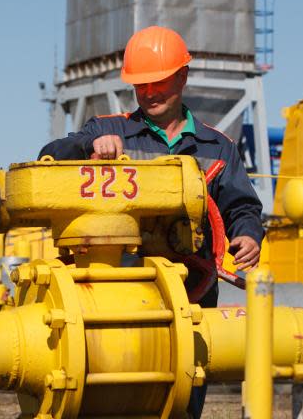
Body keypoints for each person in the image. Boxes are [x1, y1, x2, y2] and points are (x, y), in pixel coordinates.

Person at [39, 25, 264, 417]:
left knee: (183, 401)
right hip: (116, 300)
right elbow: (48, 155)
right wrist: (86, 146)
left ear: (182, 76)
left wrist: (247, 235)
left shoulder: (217, 147)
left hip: (192, 300)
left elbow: (242, 207)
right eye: (140, 85)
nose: (149, 93)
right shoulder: (109, 130)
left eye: (158, 82)